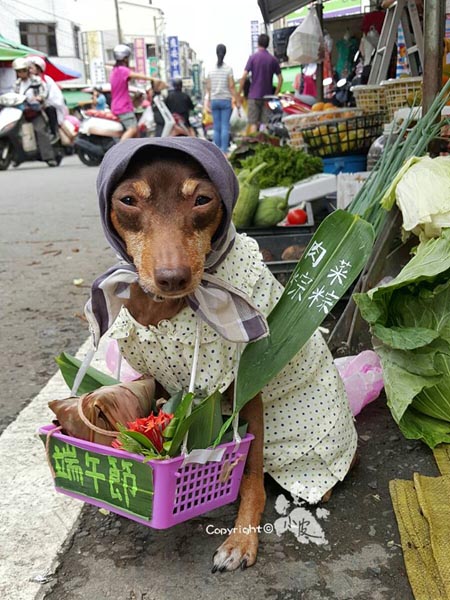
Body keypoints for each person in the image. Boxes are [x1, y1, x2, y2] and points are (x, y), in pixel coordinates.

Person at [110, 44, 165, 141]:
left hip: (117, 106)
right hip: (123, 107)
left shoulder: (115, 70)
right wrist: (152, 78)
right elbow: (136, 75)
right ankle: (118, 151)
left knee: (136, 135)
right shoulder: (122, 70)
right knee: (133, 129)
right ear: (125, 58)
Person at [12, 57, 56, 165]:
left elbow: (44, 92)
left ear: (27, 70)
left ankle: (49, 157)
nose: (21, 73)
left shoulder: (36, 80)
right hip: (20, 112)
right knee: (15, 133)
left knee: (41, 131)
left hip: (35, 111)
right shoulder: (16, 84)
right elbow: (13, 95)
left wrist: (39, 98)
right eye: (19, 71)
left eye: (23, 70)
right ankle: (18, 157)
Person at [239, 33, 283, 133]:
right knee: (265, 123)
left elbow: (244, 76)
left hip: (254, 96)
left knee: (253, 123)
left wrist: (240, 93)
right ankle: (263, 144)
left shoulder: (252, 58)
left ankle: (254, 143)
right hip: (267, 97)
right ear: (268, 44)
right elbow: (281, 79)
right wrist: (275, 94)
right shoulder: (273, 59)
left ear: (258, 43)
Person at [205, 44, 240, 154]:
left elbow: (208, 88)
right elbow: (231, 86)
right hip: (225, 100)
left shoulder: (210, 70)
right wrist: (237, 99)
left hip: (214, 100)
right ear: (225, 53)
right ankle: (224, 151)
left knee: (216, 126)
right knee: (225, 126)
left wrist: (208, 101)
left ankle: (217, 150)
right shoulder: (228, 69)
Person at [28, 55, 68, 141]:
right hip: (29, 106)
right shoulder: (25, 80)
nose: (29, 70)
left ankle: (53, 132)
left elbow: (53, 95)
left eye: (31, 68)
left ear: (38, 69)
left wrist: (42, 99)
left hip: (44, 105)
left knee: (50, 109)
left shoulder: (46, 80)